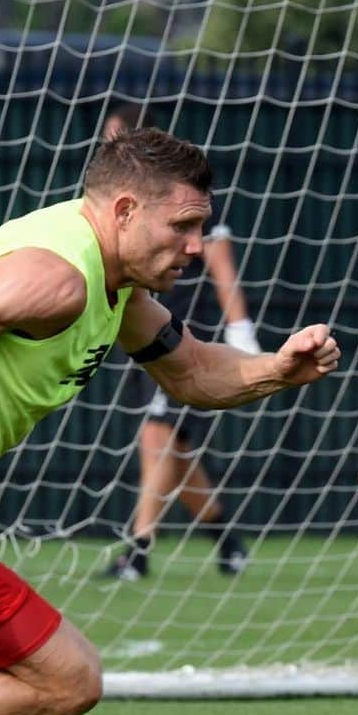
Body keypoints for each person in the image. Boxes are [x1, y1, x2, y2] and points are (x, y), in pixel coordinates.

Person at [0, 127, 339, 715]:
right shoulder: (56, 278)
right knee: (67, 677)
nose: (197, 247)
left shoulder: (113, 286)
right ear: (124, 211)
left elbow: (191, 371)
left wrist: (279, 368)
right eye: (184, 226)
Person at [100, 103, 260, 580]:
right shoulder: (118, 205)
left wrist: (241, 332)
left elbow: (222, 265)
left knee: (157, 438)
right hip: (140, 333)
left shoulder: (188, 194)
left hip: (184, 338)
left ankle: (138, 550)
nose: (108, 149)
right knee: (175, 450)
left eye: (116, 140)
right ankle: (227, 541)